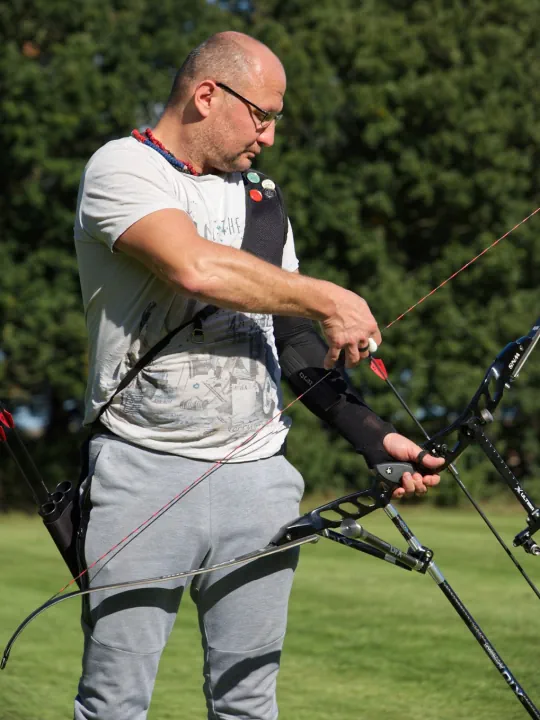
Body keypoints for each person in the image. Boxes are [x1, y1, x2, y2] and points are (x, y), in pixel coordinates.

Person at [73, 30, 443, 720]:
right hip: (143, 470)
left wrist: (372, 435)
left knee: (248, 702)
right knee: (114, 702)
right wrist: (329, 297)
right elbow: (194, 267)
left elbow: (291, 338)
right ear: (207, 95)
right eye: (262, 116)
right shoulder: (122, 168)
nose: (269, 136)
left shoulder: (261, 202)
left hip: (258, 478)